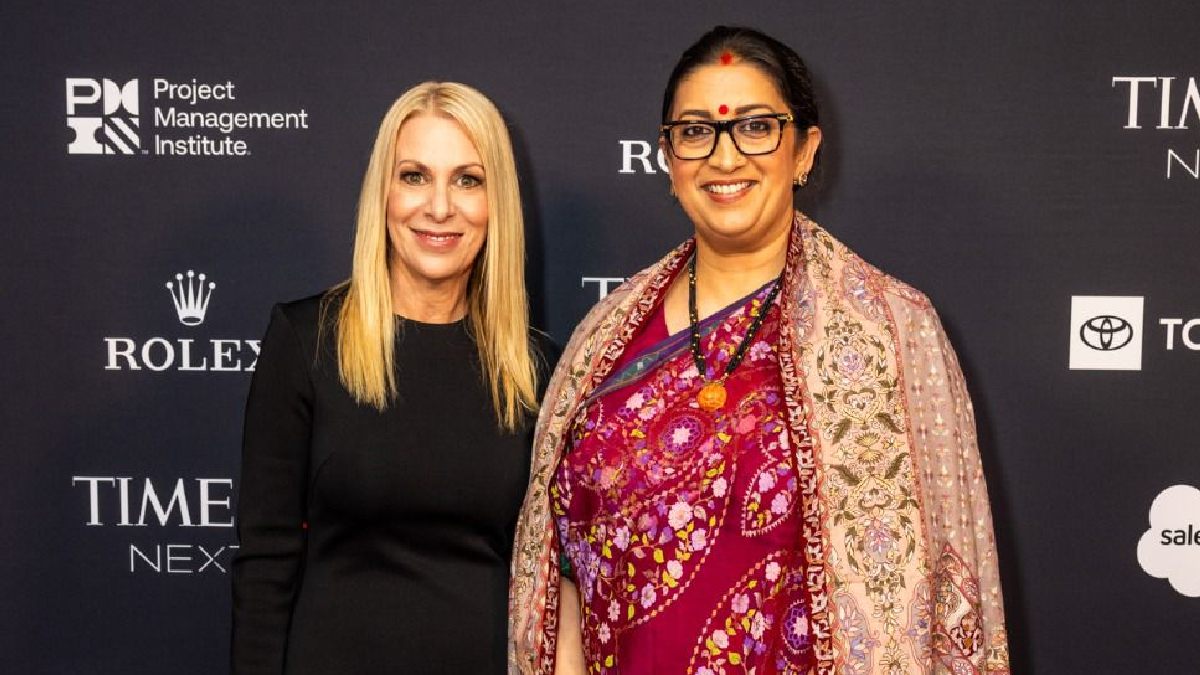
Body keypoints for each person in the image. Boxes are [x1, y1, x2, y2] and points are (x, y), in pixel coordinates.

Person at [510, 26, 1010, 674]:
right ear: (668, 158)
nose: (724, 157)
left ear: (804, 151)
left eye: (754, 127)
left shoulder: (892, 332)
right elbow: (561, 570)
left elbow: (944, 583)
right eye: (696, 131)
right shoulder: (602, 340)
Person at [232, 81, 549, 674]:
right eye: (414, 176)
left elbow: (556, 578)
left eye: (468, 180)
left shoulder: (537, 370)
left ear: (497, 202)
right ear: (383, 191)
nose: (439, 207)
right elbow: (265, 561)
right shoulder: (306, 342)